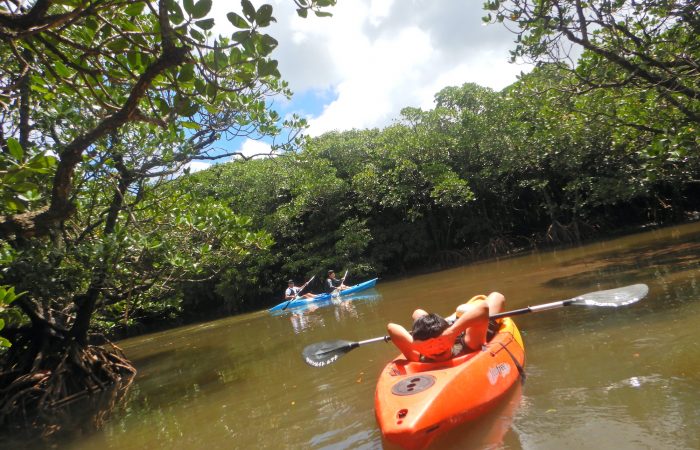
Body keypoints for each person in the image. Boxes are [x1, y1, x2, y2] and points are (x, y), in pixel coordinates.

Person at [386, 292, 506, 363]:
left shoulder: (469, 344)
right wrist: (416, 345)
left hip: (466, 330)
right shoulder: (419, 353)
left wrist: (452, 332)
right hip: (449, 330)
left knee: (496, 296)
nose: (437, 349)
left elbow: (483, 308)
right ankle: (436, 320)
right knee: (417, 313)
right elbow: (391, 327)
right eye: (429, 346)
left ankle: (448, 322)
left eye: (440, 342)